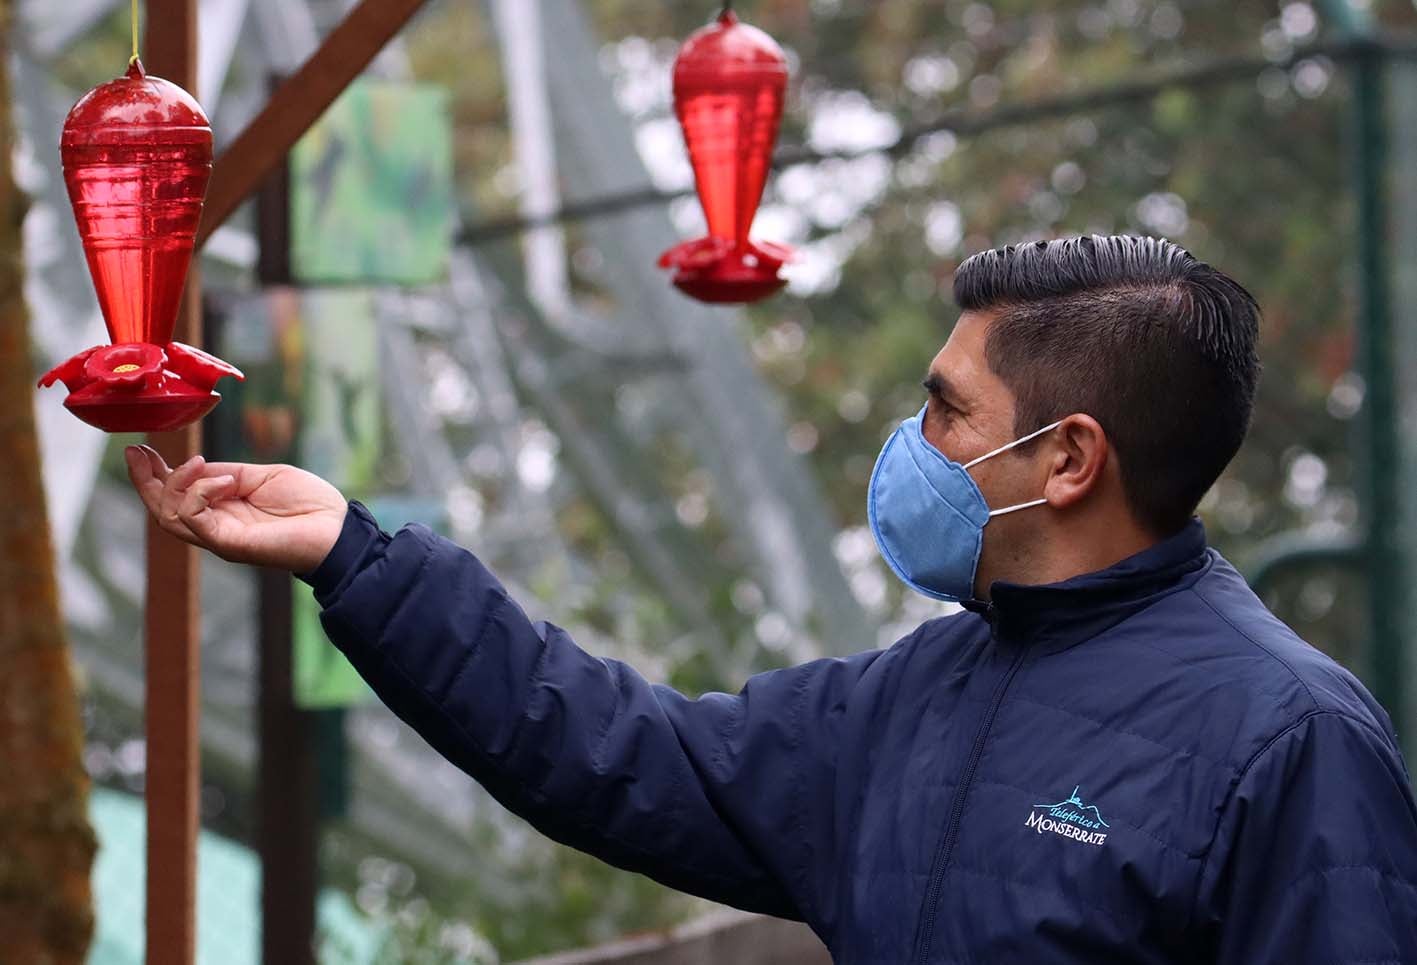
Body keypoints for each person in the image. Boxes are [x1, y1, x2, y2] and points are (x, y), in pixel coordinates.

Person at [126, 235, 1417, 963]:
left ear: (1069, 458)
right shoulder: (914, 698)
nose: (906, 440)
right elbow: (617, 749)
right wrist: (359, 553)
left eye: (944, 410)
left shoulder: (1284, 740)